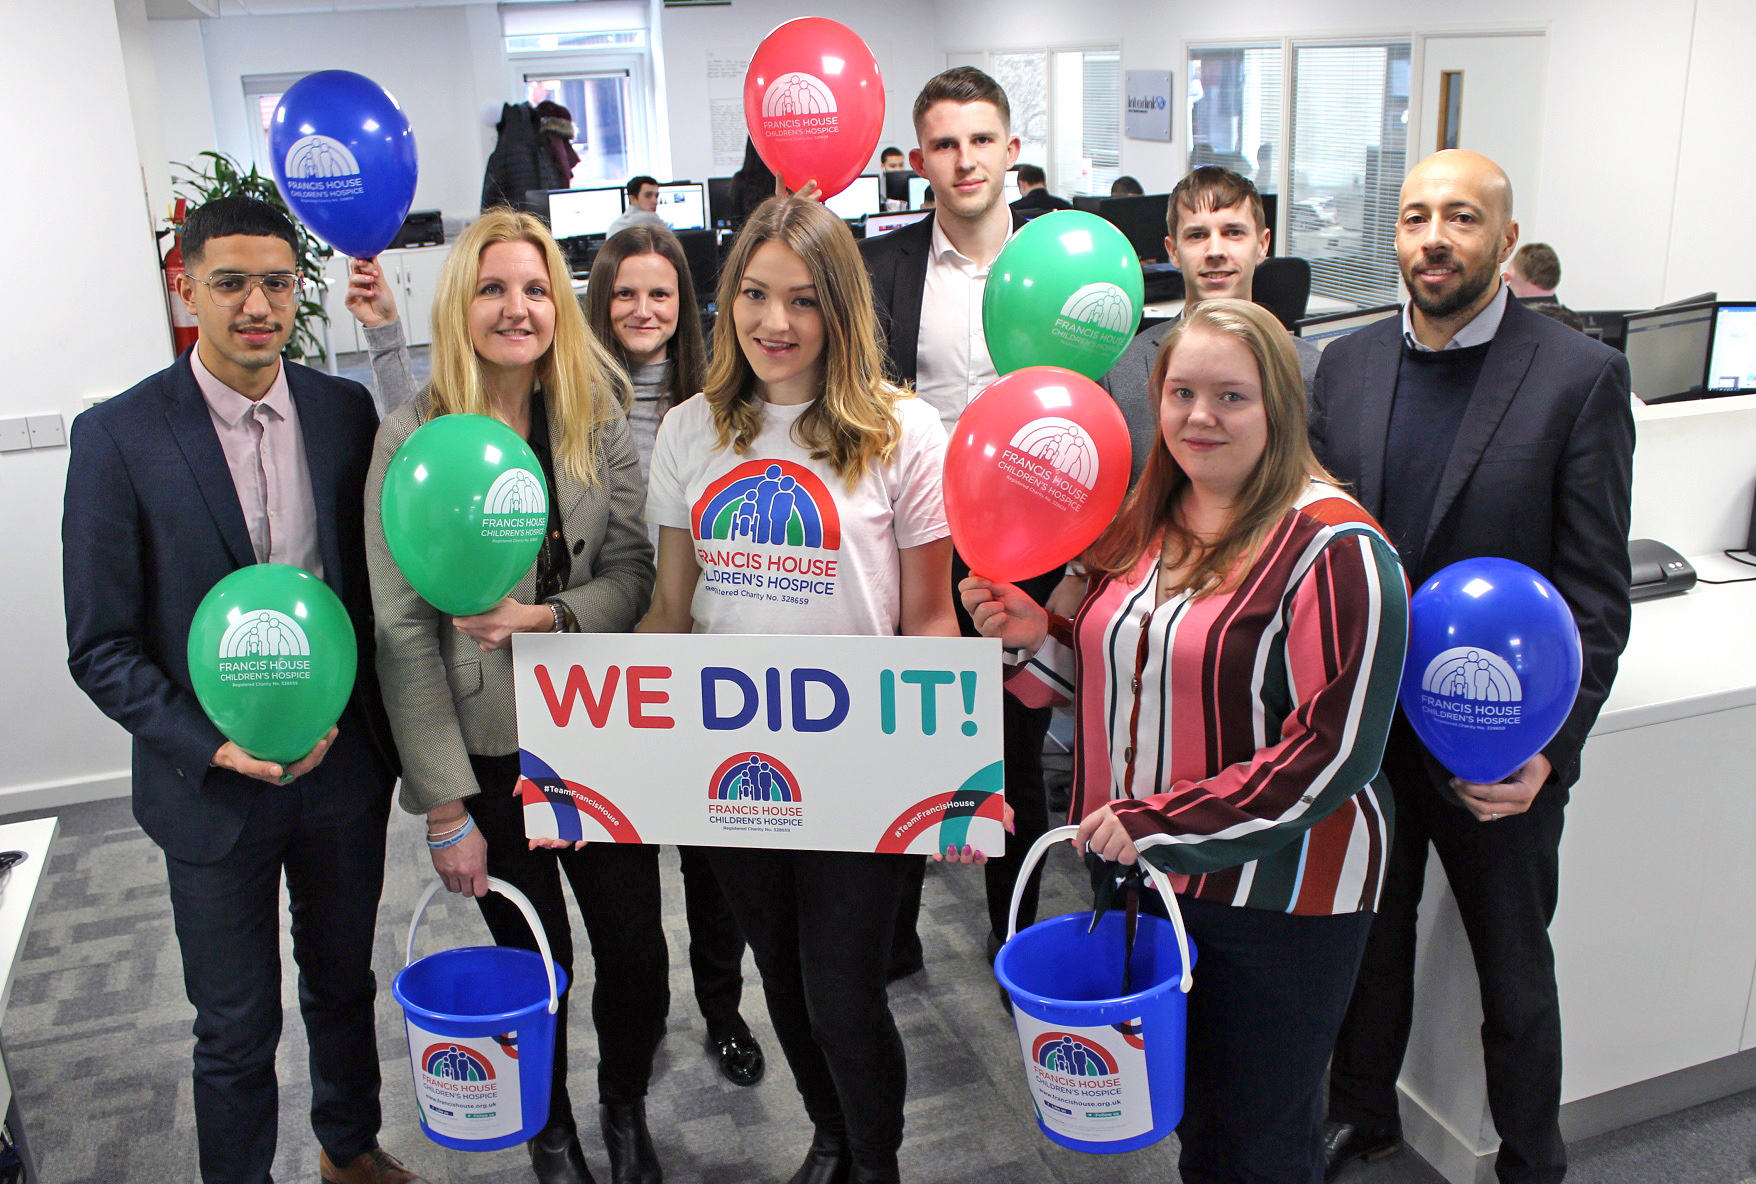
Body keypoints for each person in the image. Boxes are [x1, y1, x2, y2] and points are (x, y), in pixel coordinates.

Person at [963, 298, 1409, 1184]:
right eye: (1182, 394)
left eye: (1232, 397)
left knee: (1256, 1138)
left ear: (1279, 408)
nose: (1200, 418)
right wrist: (1029, 636)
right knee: (1188, 1111)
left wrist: (1162, 821)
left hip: (1279, 902)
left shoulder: (1338, 547)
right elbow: (1099, 688)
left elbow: (1334, 751)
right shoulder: (1140, 521)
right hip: (1142, 871)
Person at [63, 196, 420, 1184]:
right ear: (185, 286)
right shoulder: (119, 437)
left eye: (275, 281)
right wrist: (215, 744)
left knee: (343, 982)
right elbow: (99, 646)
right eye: (230, 281)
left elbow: (376, 582)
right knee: (234, 1023)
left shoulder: (342, 412)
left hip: (340, 767)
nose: (256, 303)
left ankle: (348, 1147)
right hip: (209, 783)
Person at [1316, 150, 1634, 1184]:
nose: (1433, 238)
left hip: (1498, 738)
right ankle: (1360, 1111)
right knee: (1369, 935)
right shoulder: (1347, 365)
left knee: (1513, 968)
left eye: (1460, 218)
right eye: (1414, 218)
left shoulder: (1577, 375)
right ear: (1395, 238)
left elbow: (1595, 590)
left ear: (1504, 240)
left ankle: (1530, 1160)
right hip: (1372, 725)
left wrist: (1555, 747)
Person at [640, 195, 966, 1184]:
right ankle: (828, 1131)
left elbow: (929, 617)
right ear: (727, 299)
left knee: (842, 990)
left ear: (843, 310)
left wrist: (943, 781)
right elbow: (667, 609)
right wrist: (597, 757)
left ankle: (875, 1160)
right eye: (753, 293)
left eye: (803, 299)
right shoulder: (691, 429)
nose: (774, 321)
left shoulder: (903, 429)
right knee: (777, 969)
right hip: (733, 759)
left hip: (858, 762)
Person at [358, 207, 666, 1184]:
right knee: (537, 965)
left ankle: (624, 1107)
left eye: (535, 288)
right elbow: (403, 632)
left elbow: (632, 576)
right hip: (488, 752)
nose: (517, 307)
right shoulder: (409, 438)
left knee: (637, 957)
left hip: (598, 733)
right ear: (460, 303)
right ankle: (552, 1127)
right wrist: (445, 806)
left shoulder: (594, 415)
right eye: (493, 287)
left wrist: (550, 618)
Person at [860, 64, 1062, 980]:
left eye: (982, 140)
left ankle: (1012, 930)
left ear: (1011, 151)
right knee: (913, 742)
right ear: (919, 159)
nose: (965, 160)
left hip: (1040, 543)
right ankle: (893, 937)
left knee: (1017, 755)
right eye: (945, 143)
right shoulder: (885, 268)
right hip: (922, 541)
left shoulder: (1060, 264)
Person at [582, 224, 766, 1090]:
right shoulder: (572, 402)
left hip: (707, 653)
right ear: (599, 302)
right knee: (623, 856)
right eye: (623, 293)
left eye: (659, 293)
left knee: (715, 851)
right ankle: (643, 1013)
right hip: (606, 652)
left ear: (687, 306)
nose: (642, 310)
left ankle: (724, 1010)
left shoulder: (724, 402)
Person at [1102, 166, 1321, 484]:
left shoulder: (1313, 372)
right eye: (1197, 235)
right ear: (1173, 252)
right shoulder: (1121, 374)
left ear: (1262, 244)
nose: (1216, 251)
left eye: (1233, 232)